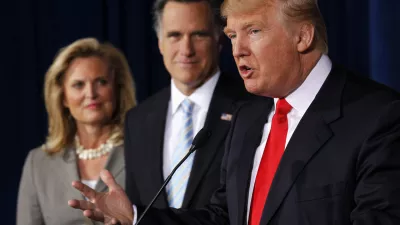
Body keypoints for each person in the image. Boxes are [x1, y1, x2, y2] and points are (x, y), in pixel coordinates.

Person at [69, 0, 400, 224]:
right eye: (231, 35)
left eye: (254, 32)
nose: (237, 50)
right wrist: (136, 215)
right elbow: (221, 218)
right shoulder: (248, 118)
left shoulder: (379, 118)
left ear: (302, 35)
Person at [123, 0, 250, 212]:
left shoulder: (252, 106)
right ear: (159, 43)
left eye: (198, 34)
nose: (186, 50)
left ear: (219, 39)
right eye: (174, 36)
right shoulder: (137, 120)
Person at [17, 38, 136, 225]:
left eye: (101, 82)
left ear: (117, 89)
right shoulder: (38, 164)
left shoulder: (141, 151)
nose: (91, 94)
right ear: (63, 97)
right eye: (78, 85)